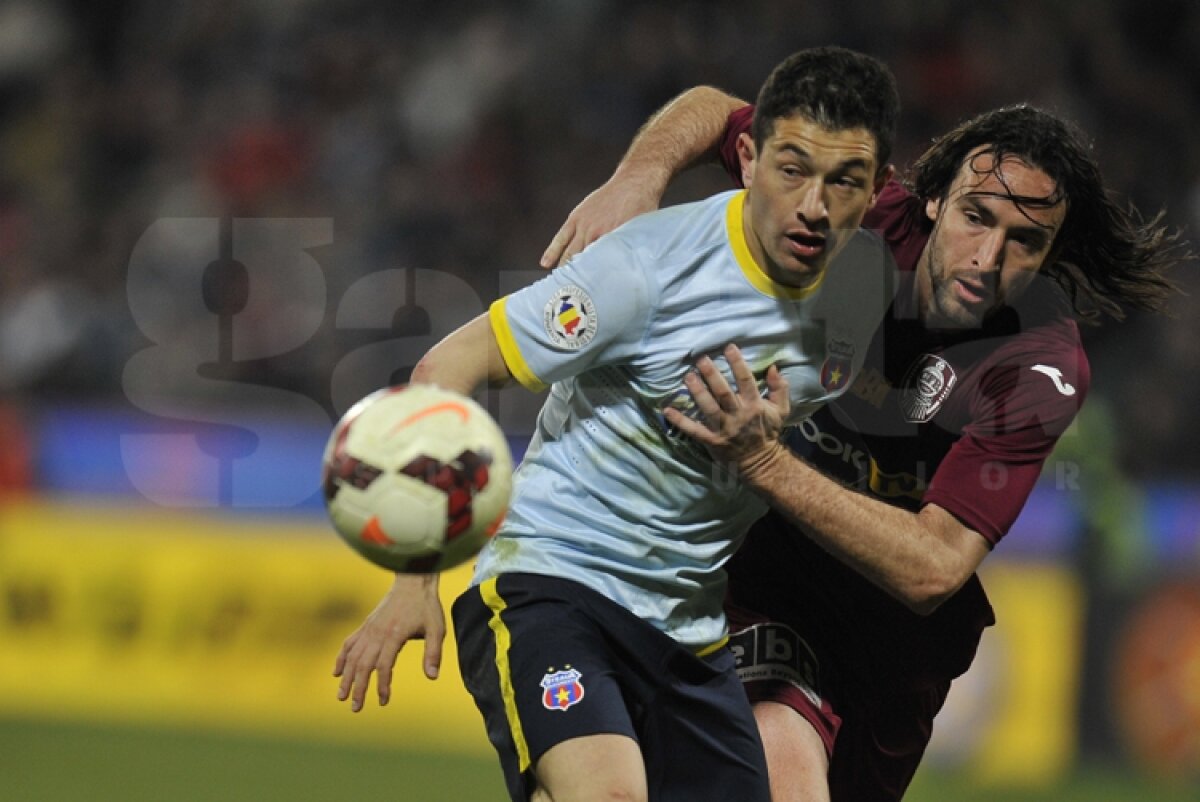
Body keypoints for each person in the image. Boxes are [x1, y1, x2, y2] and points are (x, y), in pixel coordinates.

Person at [542, 90, 1183, 801]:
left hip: (893, 644)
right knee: (772, 771)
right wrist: (638, 179)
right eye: (976, 218)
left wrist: (761, 461)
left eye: (1024, 241)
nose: (990, 256)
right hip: (766, 579)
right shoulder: (861, 216)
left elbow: (935, 566)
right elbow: (712, 110)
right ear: (935, 200)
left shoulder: (1038, 367)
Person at [333, 46, 903, 802]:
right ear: (747, 157)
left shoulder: (866, 280)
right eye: (791, 169)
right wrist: (416, 579)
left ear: (878, 191)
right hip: (553, 579)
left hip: (686, 628)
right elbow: (447, 367)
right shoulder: (645, 270)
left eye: (844, 183)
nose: (813, 206)